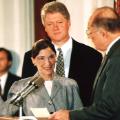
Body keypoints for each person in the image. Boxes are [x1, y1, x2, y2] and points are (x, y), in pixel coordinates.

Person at [22, 1, 102, 106]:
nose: (55, 28)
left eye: (59, 22)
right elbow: (25, 96)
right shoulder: (30, 56)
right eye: (50, 24)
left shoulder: (92, 56)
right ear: (44, 27)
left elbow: (96, 98)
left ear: (68, 23)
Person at [48, 6, 120, 120]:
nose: (90, 38)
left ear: (103, 33)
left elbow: (110, 107)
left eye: (90, 33)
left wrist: (70, 115)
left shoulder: (117, 57)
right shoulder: (112, 54)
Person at [0, 39, 83, 116]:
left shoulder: (70, 84)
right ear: (33, 60)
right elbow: (4, 112)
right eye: (41, 58)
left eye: (51, 57)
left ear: (56, 57)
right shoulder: (20, 86)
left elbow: (79, 116)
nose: (47, 63)